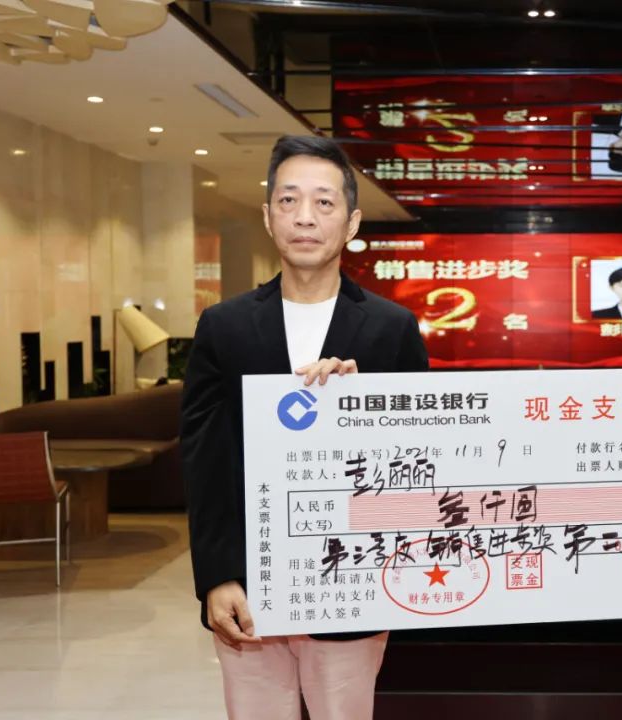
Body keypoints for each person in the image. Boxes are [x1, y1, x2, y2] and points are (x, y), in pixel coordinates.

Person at [182, 135, 428, 719]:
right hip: (249, 583)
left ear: (351, 222)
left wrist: (364, 404)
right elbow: (204, 458)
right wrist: (218, 575)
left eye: (324, 202)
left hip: (352, 579)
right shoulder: (223, 326)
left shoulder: (392, 328)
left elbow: (421, 457)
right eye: (288, 200)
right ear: (269, 216)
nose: (305, 217)